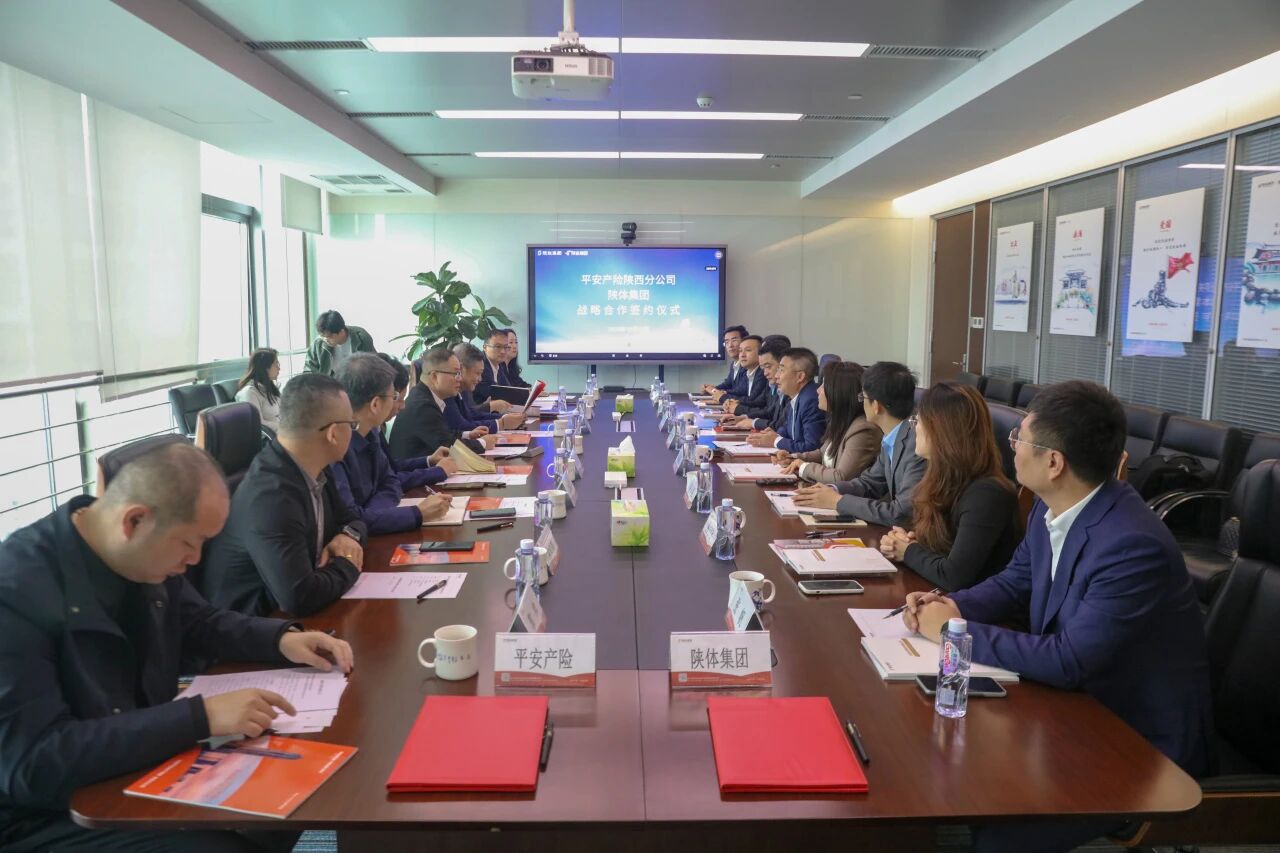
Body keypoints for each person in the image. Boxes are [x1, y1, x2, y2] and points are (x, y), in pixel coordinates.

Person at [902, 381, 1213, 853]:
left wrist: (952, 631)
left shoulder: (1131, 545)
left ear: (1054, 462)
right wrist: (948, 604)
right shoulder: (1054, 509)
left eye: (1019, 439)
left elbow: (1068, 660)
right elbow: (1014, 582)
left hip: (1135, 741)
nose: (1011, 447)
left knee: (993, 827)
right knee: (940, 768)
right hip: (1076, 711)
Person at [0, 441, 352, 853]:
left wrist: (280, 640)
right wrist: (199, 717)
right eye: (190, 543)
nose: (196, 558)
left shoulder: (139, 554)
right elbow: (32, 765)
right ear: (134, 521)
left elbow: (197, 620)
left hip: (132, 756)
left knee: (289, 788)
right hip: (45, 811)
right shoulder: (16, 592)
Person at [200, 374, 367, 617]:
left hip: (292, 612)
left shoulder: (315, 466)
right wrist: (349, 564)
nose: (353, 431)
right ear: (333, 434)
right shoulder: (271, 497)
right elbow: (299, 597)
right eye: (351, 425)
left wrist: (348, 536)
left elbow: (353, 518)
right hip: (254, 624)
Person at [878, 382, 1020, 591]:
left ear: (942, 431)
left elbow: (954, 576)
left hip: (972, 605)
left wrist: (908, 551)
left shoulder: (987, 494)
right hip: (940, 596)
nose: (915, 428)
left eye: (919, 420)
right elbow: (943, 547)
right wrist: (908, 542)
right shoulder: (940, 477)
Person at [330, 354, 454, 534]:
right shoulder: (335, 448)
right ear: (375, 404)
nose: (401, 406)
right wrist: (417, 513)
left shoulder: (371, 432)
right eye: (395, 396)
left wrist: (373, 513)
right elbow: (352, 520)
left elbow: (390, 481)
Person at [792, 360, 926, 526]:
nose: (861, 402)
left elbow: (899, 513)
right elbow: (870, 483)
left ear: (876, 406)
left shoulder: (916, 446)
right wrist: (832, 490)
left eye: (863, 397)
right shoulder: (892, 436)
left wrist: (837, 501)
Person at [777, 361, 880, 484]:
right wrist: (793, 458)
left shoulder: (863, 429)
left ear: (840, 392)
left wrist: (804, 466)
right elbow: (823, 454)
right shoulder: (840, 420)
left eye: (824, 386)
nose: (818, 390)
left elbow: (841, 477)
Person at [389, 348, 495, 461]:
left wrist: (468, 435)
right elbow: (447, 446)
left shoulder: (425, 396)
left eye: (459, 373)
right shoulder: (422, 405)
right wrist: (482, 443)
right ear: (434, 376)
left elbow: (443, 434)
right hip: (415, 470)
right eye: (455, 373)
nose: (459, 379)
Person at [375, 353, 457, 490]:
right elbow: (385, 482)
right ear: (375, 402)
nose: (403, 406)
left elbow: (390, 467)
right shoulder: (421, 404)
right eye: (398, 398)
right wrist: (436, 472)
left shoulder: (375, 429)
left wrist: (428, 461)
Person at [747, 347, 825, 453]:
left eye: (781, 370)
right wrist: (775, 435)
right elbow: (786, 429)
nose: (776, 376)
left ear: (800, 376)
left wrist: (775, 441)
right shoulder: (796, 396)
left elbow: (811, 448)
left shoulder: (811, 400)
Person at [447, 343, 524, 433]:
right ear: (461, 369)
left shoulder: (462, 390)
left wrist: (505, 418)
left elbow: (471, 414)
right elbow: (462, 426)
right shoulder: (447, 392)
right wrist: (501, 423)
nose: (480, 379)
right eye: (477, 373)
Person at [724, 337, 787, 425]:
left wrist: (753, 422)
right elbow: (768, 411)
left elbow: (779, 425)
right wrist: (744, 417)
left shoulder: (788, 390)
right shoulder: (773, 383)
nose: (765, 373)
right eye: (740, 351)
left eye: (768, 367)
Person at [304, 310, 375, 377]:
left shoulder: (361, 338)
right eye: (322, 336)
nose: (325, 340)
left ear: (341, 331)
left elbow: (371, 365)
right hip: (330, 381)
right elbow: (309, 370)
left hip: (356, 379)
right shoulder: (319, 343)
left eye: (329, 336)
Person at [234, 347, 281, 433]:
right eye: (276, 364)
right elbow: (258, 424)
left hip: (284, 433)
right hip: (271, 437)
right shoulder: (249, 393)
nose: (279, 368)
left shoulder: (269, 387)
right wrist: (285, 428)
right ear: (265, 367)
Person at [721, 335, 769, 411]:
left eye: (748, 350)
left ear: (761, 353)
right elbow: (739, 392)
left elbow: (753, 400)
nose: (742, 355)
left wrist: (723, 397)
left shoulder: (763, 374)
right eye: (740, 351)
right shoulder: (748, 373)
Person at [702, 325, 747, 399]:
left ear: (744, 342)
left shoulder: (748, 365)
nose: (730, 345)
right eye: (727, 342)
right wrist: (710, 388)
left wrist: (714, 391)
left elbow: (741, 391)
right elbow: (727, 384)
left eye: (734, 340)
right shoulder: (734, 364)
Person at [474, 329, 513, 405]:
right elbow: (496, 393)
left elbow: (509, 390)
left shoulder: (500, 364)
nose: (503, 351)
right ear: (485, 348)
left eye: (506, 347)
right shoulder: (480, 364)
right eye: (498, 346)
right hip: (477, 410)